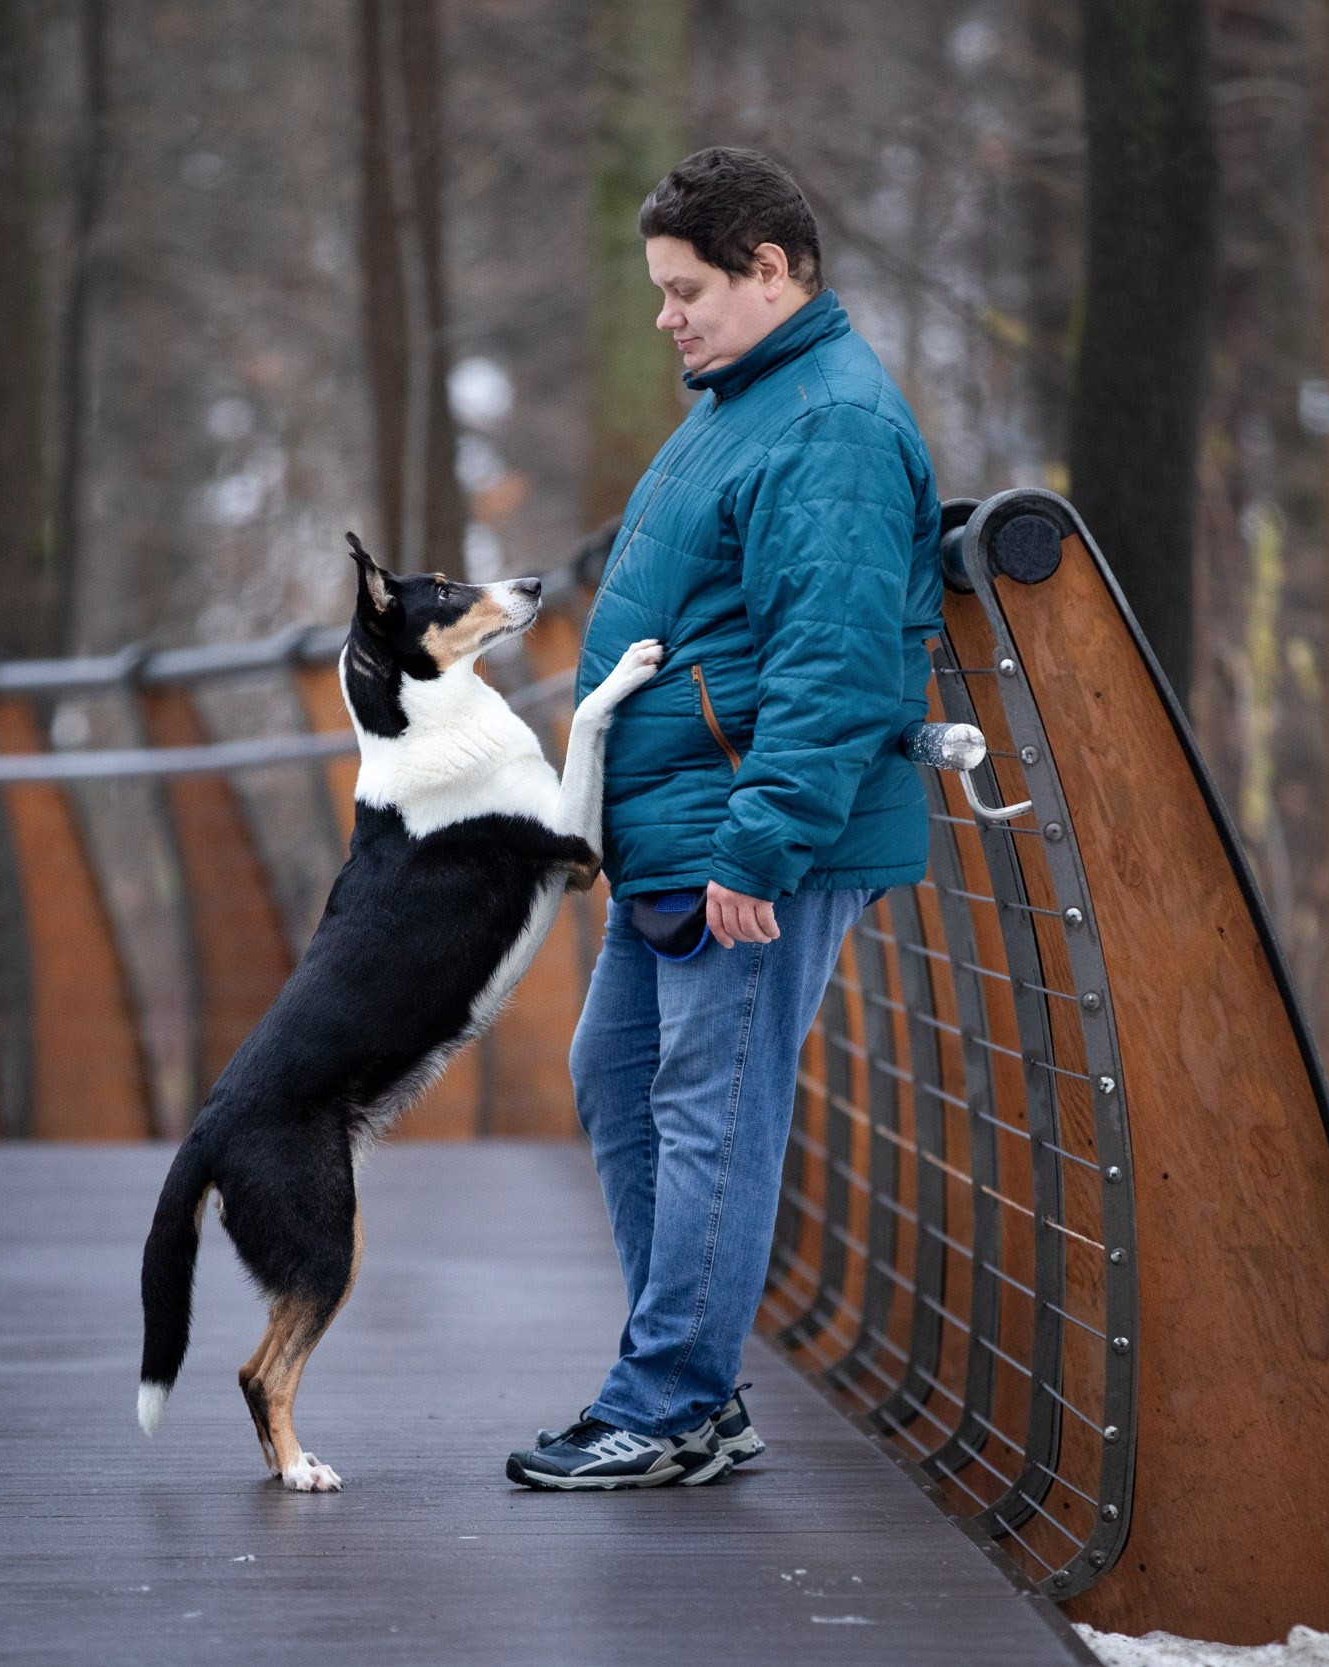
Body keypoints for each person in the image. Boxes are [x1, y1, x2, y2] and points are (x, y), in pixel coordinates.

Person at [506, 146, 944, 1490]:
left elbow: (838, 665)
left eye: (687, 287)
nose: (666, 316)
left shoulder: (833, 428)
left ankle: (673, 1400)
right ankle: (691, 1383)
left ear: (771, 268)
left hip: (749, 841)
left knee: (712, 1101)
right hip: (680, 827)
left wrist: (761, 845)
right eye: (657, 289)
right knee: (616, 1075)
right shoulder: (745, 402)